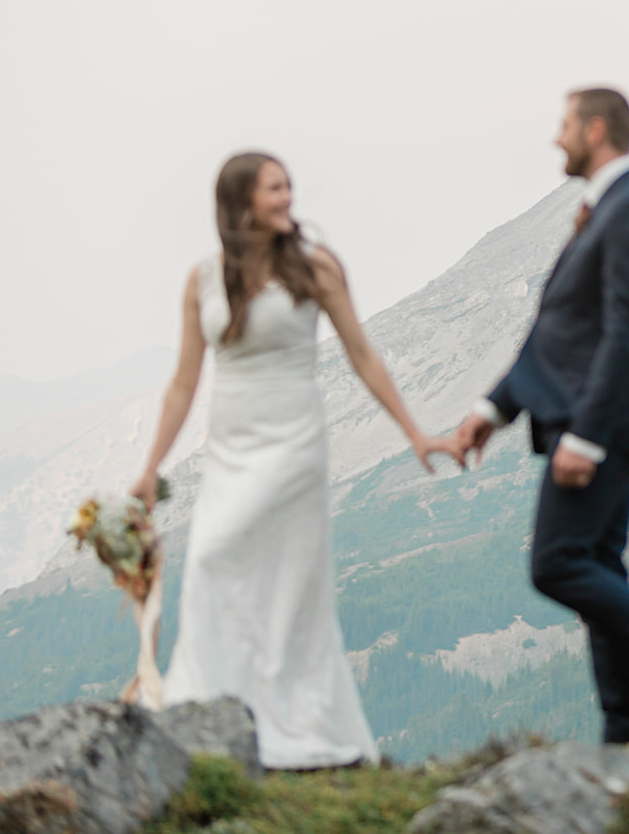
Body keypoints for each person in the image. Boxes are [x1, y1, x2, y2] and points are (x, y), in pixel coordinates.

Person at [130, 151, 456, 769]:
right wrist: (151, 467)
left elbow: (362, 354)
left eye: (288, 188)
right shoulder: (204, 279)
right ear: (241, 202)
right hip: (231, 446)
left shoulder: (315, 267)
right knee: (210, 558)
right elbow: (182, 382)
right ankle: (219, 706)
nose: (287, 198)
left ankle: (299, 719)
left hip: (293, 444)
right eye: (274, 189)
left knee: (287, 583)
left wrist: (414, 432)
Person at [452, 87, 629, 743]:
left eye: (563, 126)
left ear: (594, 129)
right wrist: (490, 410)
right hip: (585, 418)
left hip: (601, 423)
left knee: (555, 562)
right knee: (598, 567)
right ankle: (628, 731)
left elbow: (627, 331)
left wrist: (585, 436)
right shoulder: (603, 211)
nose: (555, 140)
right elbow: (557, 329)